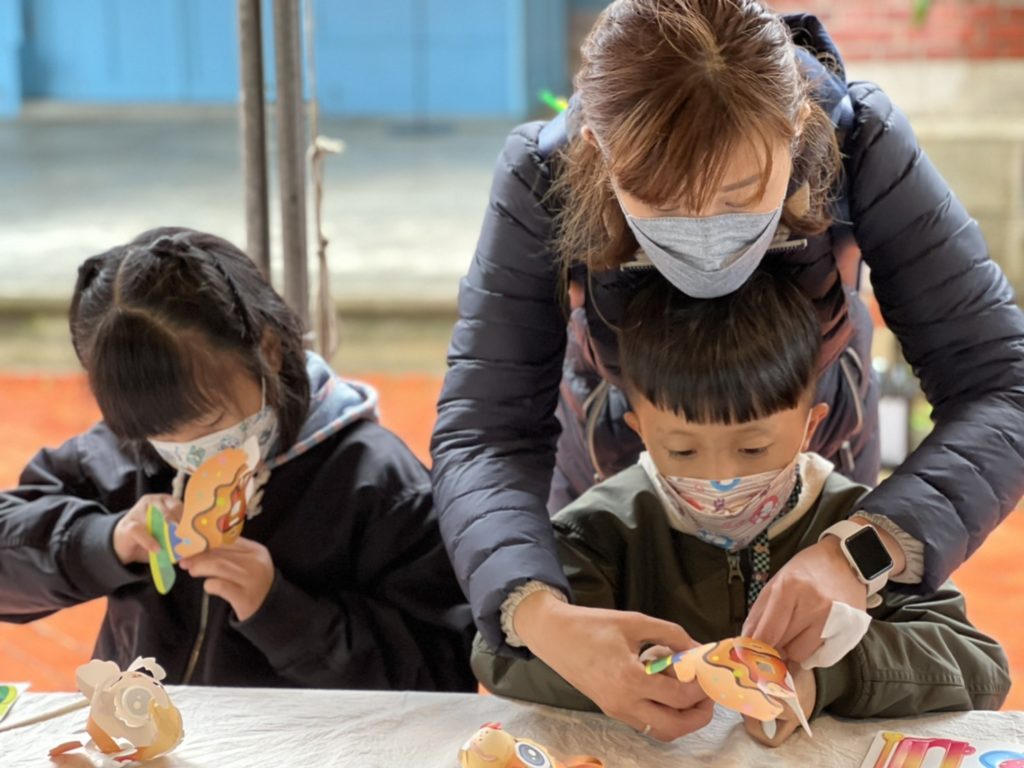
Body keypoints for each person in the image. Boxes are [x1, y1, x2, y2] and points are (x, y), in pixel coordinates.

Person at [432, 0, 1024, 740]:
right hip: (619, 474)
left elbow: (1003, 382)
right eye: (658, 201)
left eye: (743, 196)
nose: (706, 235)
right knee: (625, 691)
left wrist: (860, 550)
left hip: (809, 471)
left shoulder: (860, 140)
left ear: (798, 132)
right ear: (597, 148)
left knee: (814, 667)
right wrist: (538, 612)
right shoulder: (543, 174)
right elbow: (484, 430)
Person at [471, 271, 1011, 745]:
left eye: (754, 448)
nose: (718, 477)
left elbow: (979, 666)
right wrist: (604, 671)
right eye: (681, 449)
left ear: (810, 425)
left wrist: (826, 680)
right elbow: (496, 655)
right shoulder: (601, 529)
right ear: (638, 429)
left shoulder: (855, 529)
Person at [0, 227, 475, 692]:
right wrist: (106, 541)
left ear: (267, 350)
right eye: (159, 429)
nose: (185, 446)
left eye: (207, 420)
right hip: (145, 741)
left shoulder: (374, 482)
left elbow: (440, 674)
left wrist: (279, 610)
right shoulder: (123, 452)